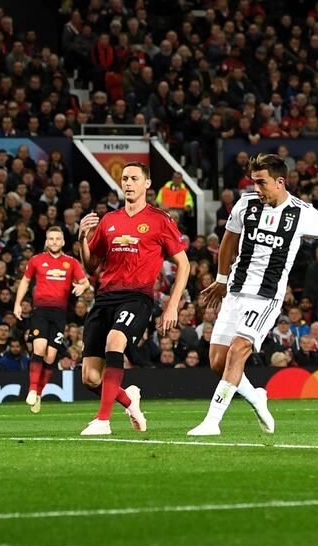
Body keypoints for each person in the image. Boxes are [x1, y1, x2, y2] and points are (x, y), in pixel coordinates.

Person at [191, 154, 318, 435]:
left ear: (280, 182)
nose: (256, 189)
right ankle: (257, 397)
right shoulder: (246, 204)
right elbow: (229, 240)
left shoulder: (303, 213)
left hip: (266, 297)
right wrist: (222, 279)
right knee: (218, 362)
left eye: (262, 183)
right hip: (235, 291)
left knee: (237, 352)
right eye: (253, 182)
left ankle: (212, 422)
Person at [78, 161, 190, 435]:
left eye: (134, 178)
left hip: (137, 298)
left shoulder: (160, 220)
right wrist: (83, 237)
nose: (128, 183)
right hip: (105, 297)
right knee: (90, 378)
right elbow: (91, 265)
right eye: (125, 178)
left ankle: (102, 420)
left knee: (114, 342)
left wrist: (172, 304)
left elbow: (183, 264)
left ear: (147, 184)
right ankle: (129, 400)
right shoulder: (109, 221)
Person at [13, 226, 89, 413]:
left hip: (59, 314)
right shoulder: (36, 260)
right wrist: (18, 303)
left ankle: (39, 393)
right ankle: (32, 389)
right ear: (46, 241)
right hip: (40, 312)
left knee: (51, 356)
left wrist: (83, 287)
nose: (54, 242)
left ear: (63, 242)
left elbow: (85, 281)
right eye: (51, 239)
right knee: (38, 348)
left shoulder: (71, 262)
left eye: (57, 239)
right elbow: (25, 281)